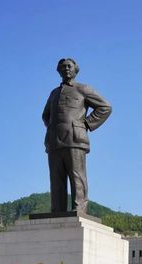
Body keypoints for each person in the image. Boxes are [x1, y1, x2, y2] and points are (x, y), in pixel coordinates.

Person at [43, 57, 112, 214]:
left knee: (77, 176)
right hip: (54, 142)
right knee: (56, 179)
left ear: (75, 69)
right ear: (58, 71)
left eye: (69, 66)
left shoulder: (83, 89)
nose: (66, 69)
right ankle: (57, 210)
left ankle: (79, 209)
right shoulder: (54, 93)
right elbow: (45, 115)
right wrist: (52, 129)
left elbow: (105, 107)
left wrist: (86, 124)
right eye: (63, 67)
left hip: (75, 139)